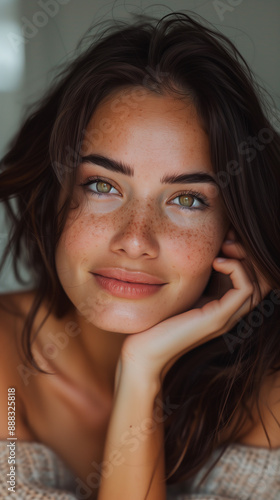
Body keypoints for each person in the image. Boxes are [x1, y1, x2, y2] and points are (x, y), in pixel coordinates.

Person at [0, 11, 279, 500]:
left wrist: (140, 371)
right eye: (103, 185)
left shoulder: (267, 388)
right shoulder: (6, 383)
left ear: (232, 228)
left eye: (187, 199)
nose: (135, 239)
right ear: (55, 194)